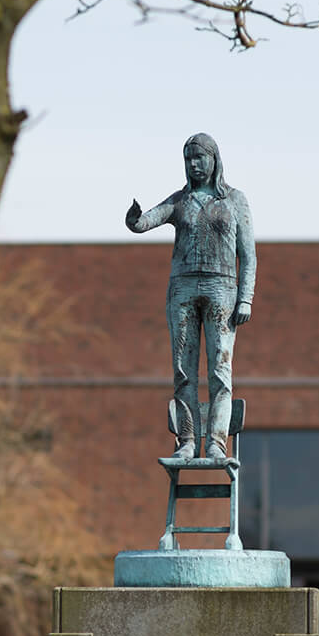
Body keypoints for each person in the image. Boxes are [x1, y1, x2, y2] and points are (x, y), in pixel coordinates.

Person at [125, 134, 255, 459]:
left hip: (221, 290)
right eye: (189, 159)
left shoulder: (235, 200)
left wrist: (245, 298)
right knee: (183, 371)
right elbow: (145, 222)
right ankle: (186, 441)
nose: (194, 165)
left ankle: (215, 442)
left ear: (214, 159)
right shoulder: (179, 200)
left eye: (199, 158)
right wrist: (134, 219)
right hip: (182, 289)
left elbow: (248, 255)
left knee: (219, 372)